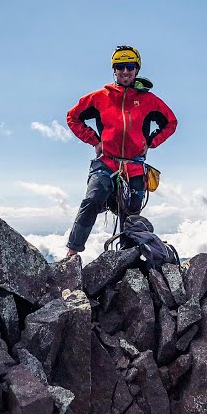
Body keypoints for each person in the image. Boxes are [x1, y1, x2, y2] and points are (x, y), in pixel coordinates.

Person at [64, 45, 178, 257]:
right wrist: (94, 141)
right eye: (120, 67)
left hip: (133, 165)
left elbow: (170, 122)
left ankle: (126, 261)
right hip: (107, 161)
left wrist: (150, 143)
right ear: (114, 70)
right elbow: (73, 116)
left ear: (136, 69)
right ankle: (72, 253)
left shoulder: (148, 100)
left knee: (131, 214)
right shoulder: (100, 97)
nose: (125, 71)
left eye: (129, 66)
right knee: (92, 198)